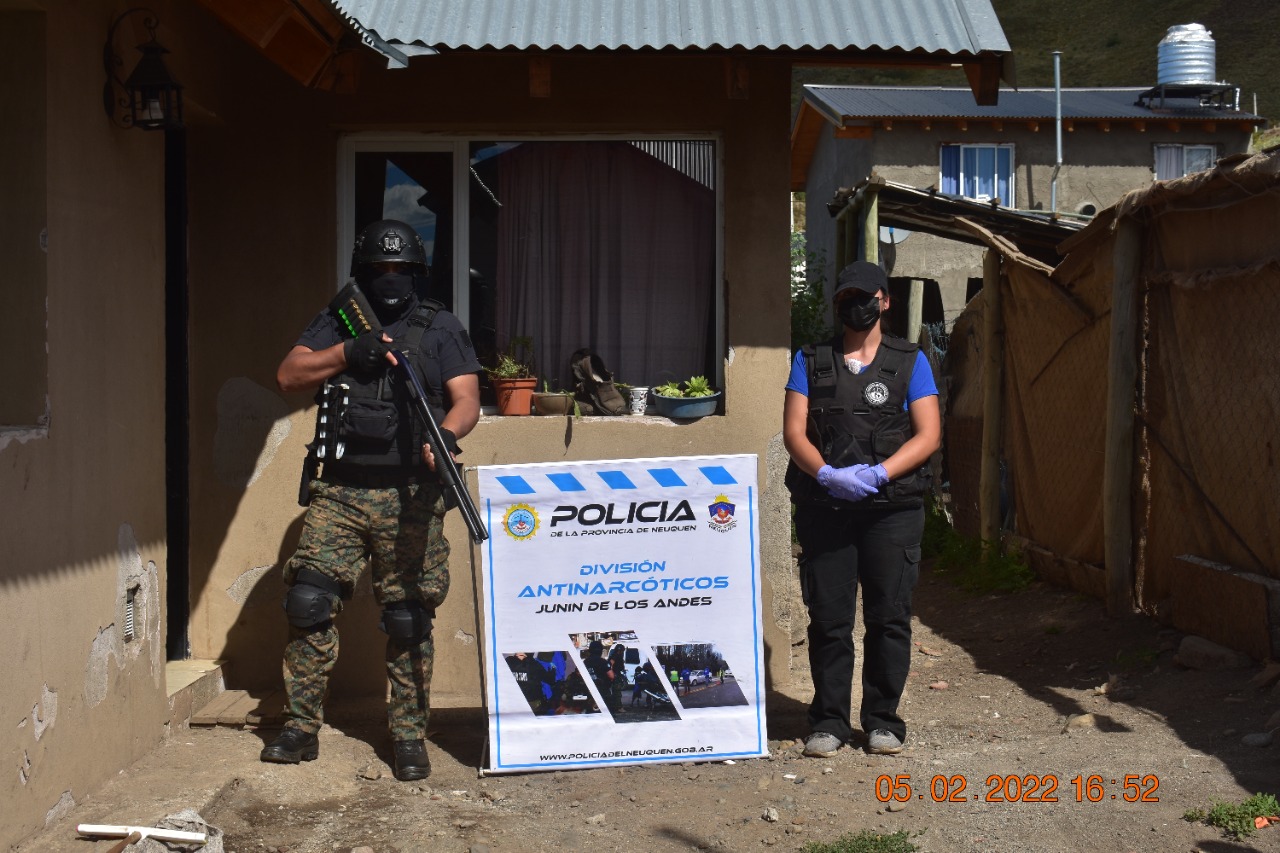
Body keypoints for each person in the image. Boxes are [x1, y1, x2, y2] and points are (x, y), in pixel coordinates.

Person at [260, 219, 482, 781]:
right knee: (308, 603)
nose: (390, 280)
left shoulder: (440, 328)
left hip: (411, 494)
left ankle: (408, 735)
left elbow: (467, 400)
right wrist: (347, 351)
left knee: (407, 618)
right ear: (363, 272)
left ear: (416, 273)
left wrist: (447, 437)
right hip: (340, 492)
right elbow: (289, 375)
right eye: (380, 270)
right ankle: (300, 728)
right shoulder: (338, 321)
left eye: (401, 270)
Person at [783, 260, 941, 758]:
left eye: (864, 296)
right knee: (829, 619)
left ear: (884, 300)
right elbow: (793, 432)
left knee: (888, 616)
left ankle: (883, 721)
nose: (856, 305)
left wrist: (880, 473)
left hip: (891, 509)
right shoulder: (811, 359)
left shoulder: (910, 360)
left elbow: (929, 434)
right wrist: (827, 474)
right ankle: (829, 721)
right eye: (845, 297)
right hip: (826, 508)